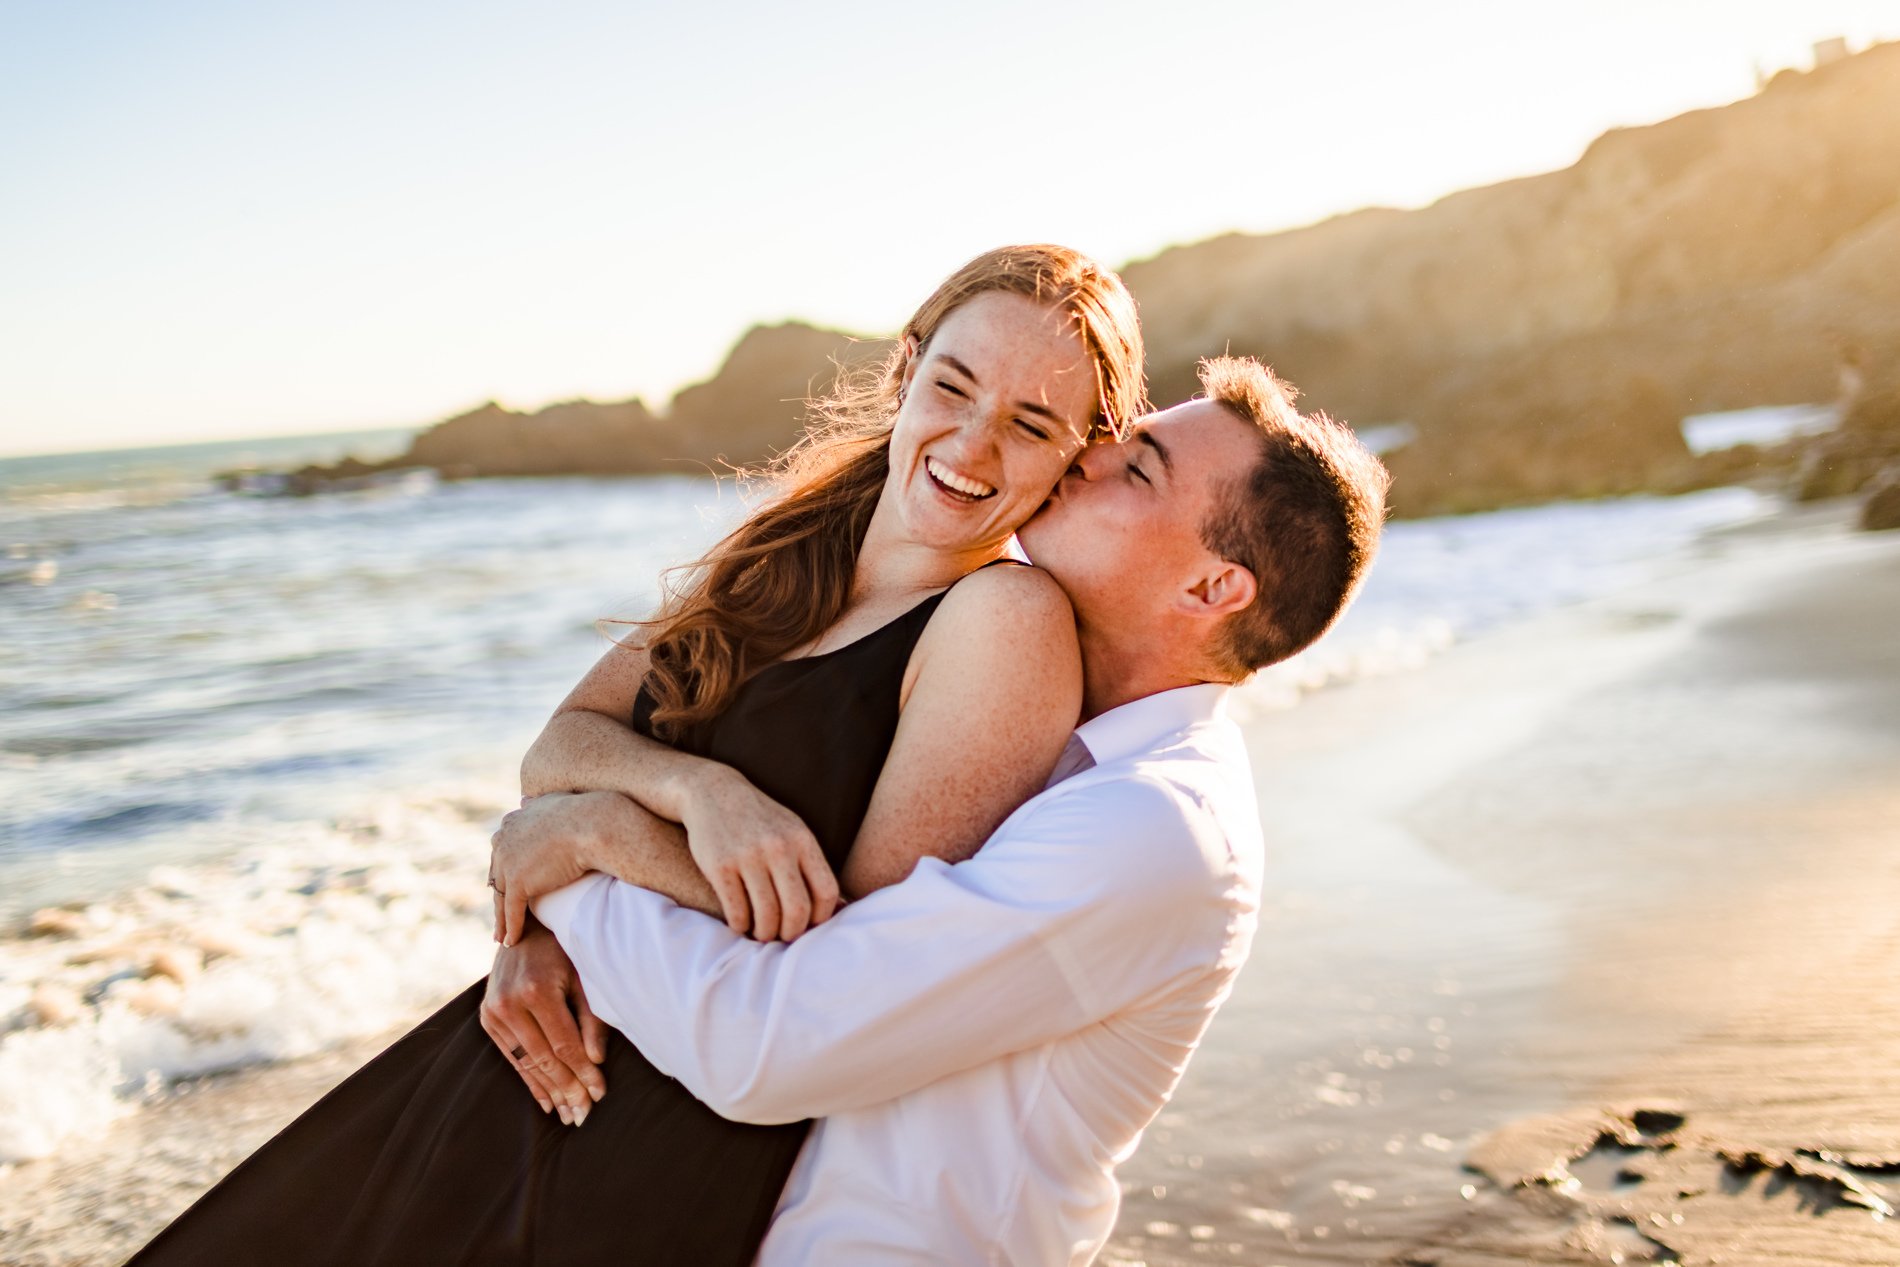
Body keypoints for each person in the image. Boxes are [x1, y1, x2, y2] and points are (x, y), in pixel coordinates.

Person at [126, 243, 1147, 1267]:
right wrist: (678, 796)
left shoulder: (1004, 618)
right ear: (907, 367)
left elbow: (849, 955)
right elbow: (557, 747)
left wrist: (591, 840)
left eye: (1031, 424)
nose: (971, 443)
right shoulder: (787, 547)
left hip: (650, 1134)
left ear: (1080, 453)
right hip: (521, 1043)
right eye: (953, 386)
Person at [498, 356, 1392, 1263]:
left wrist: (580, 851)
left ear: (1210, 590)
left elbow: (762, 1047)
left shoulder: (1156, 825)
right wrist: (549, 921)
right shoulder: (1014, 701)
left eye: (1140, 467)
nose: (1089, 454)